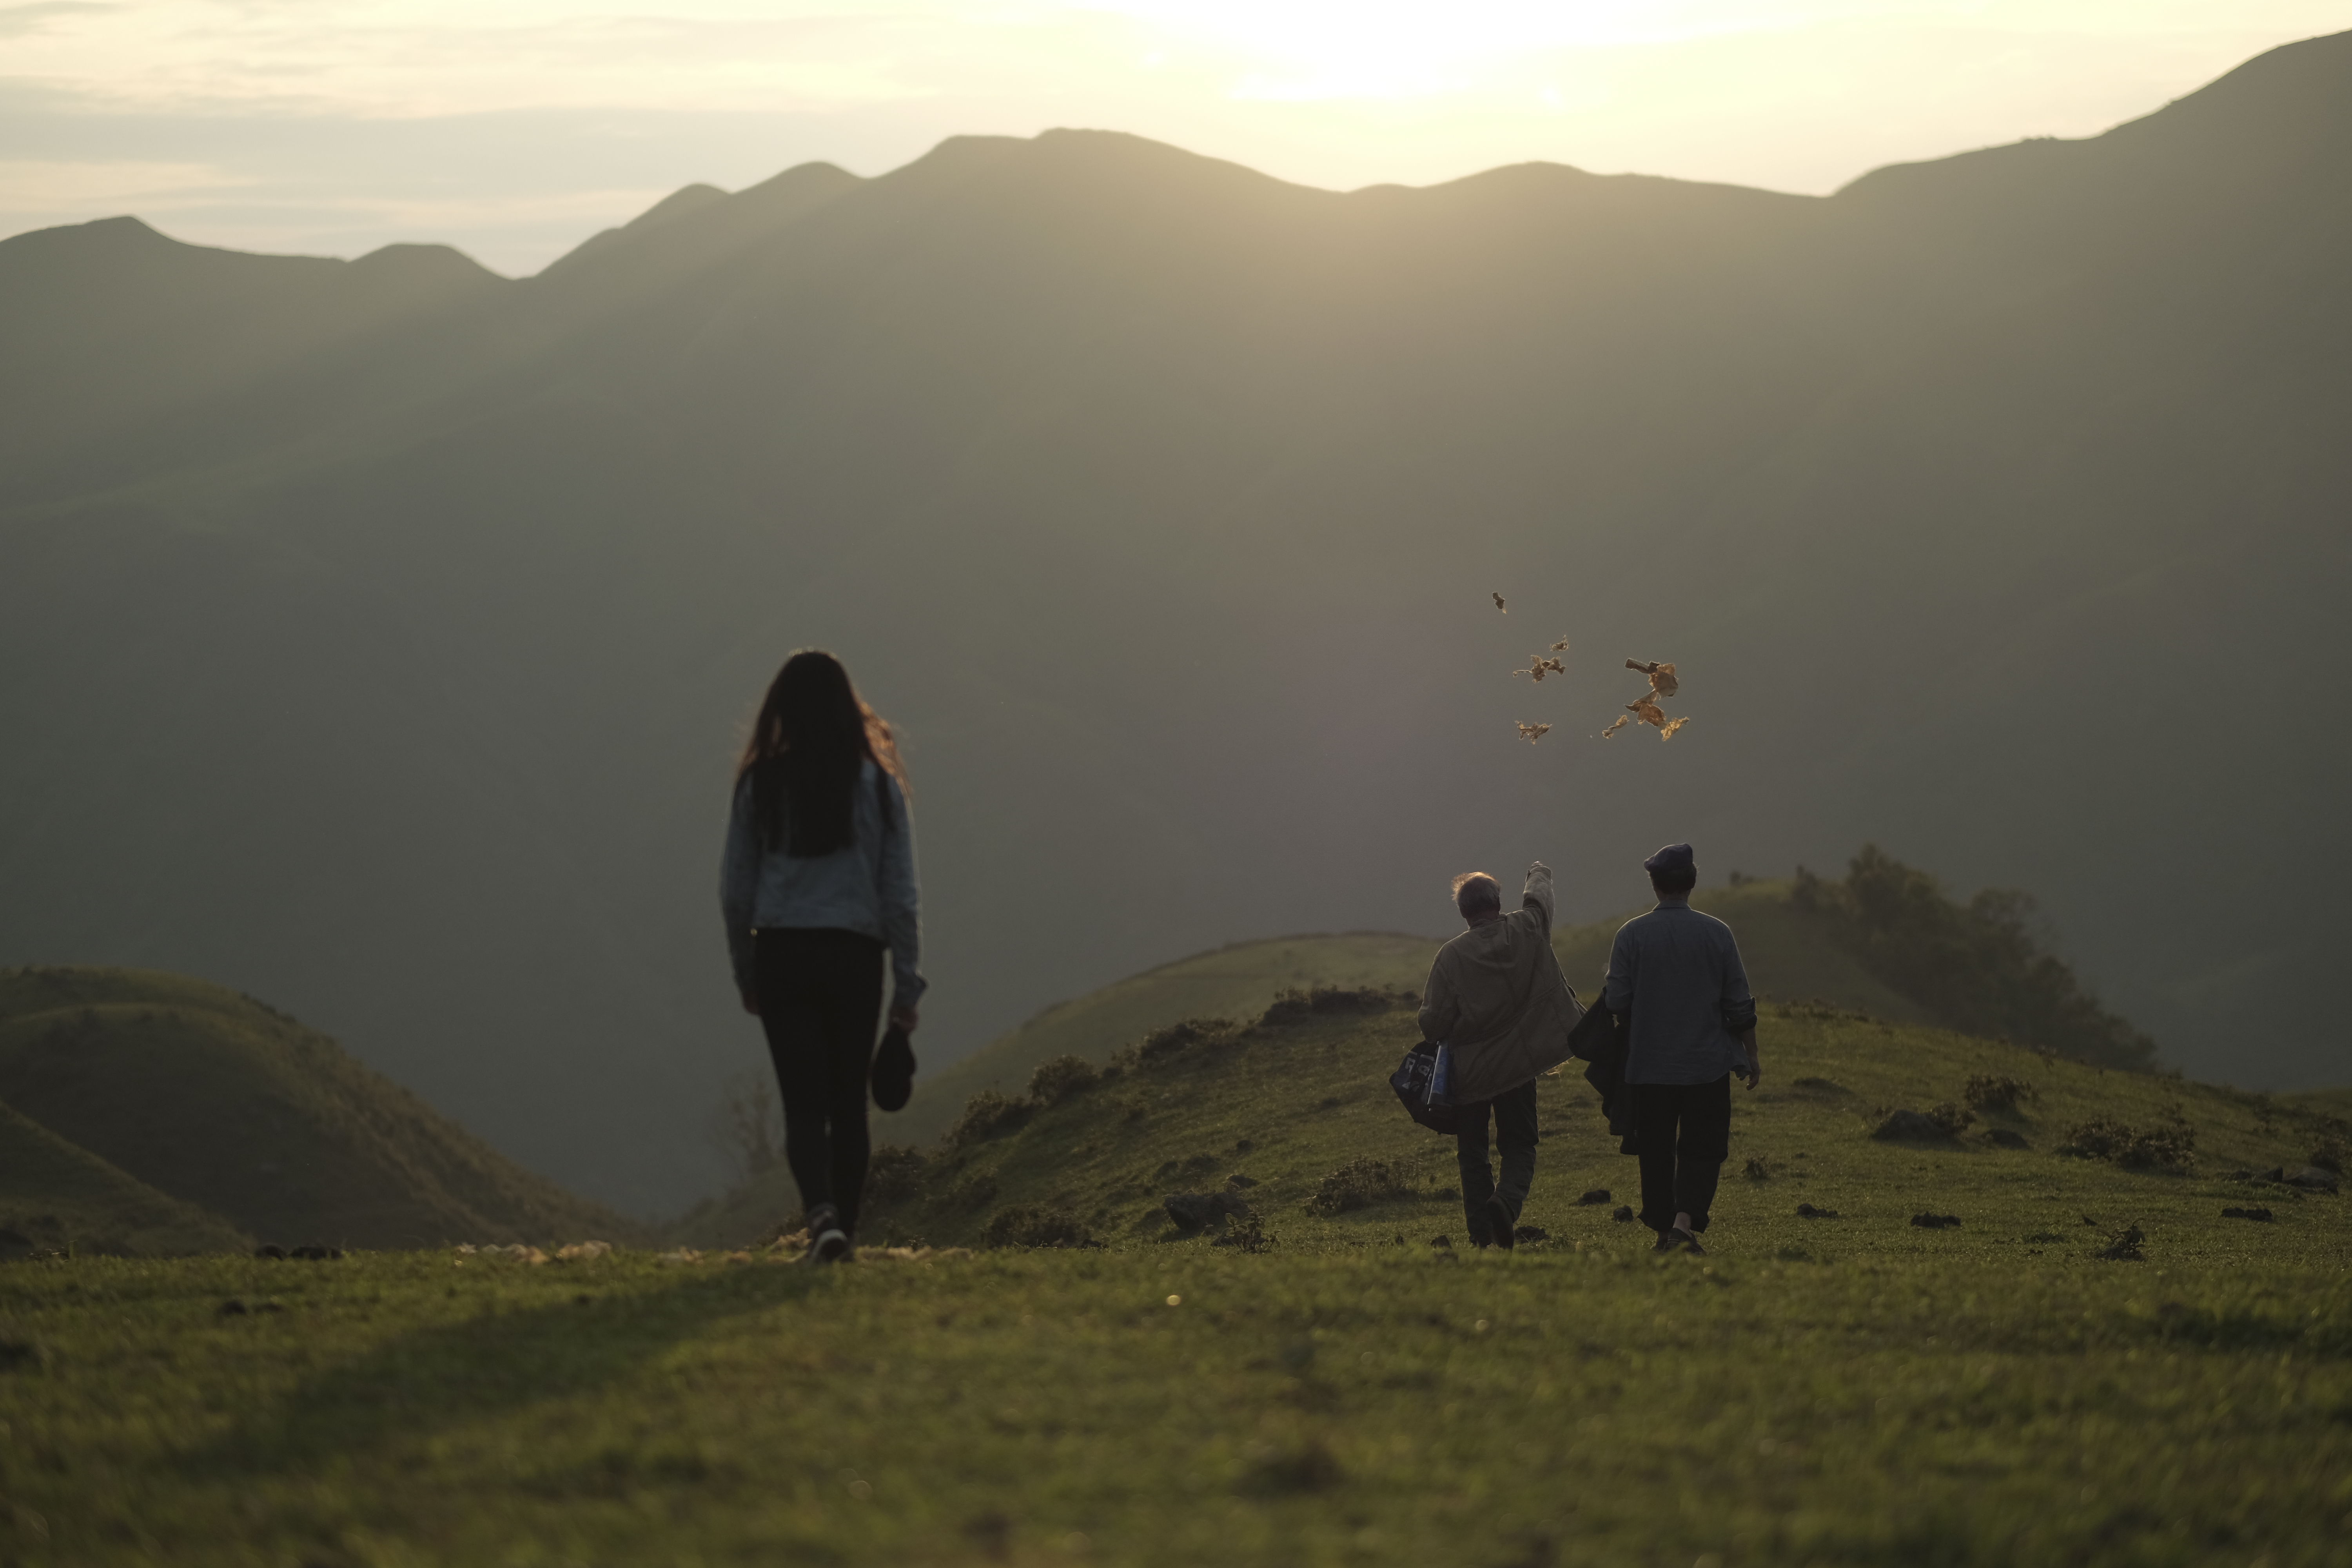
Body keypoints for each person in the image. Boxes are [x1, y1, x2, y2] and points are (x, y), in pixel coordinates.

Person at [720, 651, 924, 1263]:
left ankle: (822, 1220)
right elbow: (902, 896)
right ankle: (845, 1234)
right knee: (847, 1104)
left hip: (783, 953)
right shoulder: (880, 787)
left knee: (802, 1104)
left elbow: (735, 890)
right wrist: (908, 989)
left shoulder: (760, 784)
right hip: (855, 957)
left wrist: (746, 971)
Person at [1601, 843, 1759, 1256]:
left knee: (1655, 1150)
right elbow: (1739, 1003)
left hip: (1648, 1067)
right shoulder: (1717, 933)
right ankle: (1684, 1225)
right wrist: (1751, 1055)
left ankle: (1662, 1233)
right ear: (1691, 882)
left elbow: (1616, 999)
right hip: (1705, 1066)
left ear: (1655, 885)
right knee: (1703, 1146)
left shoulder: (1631, 935)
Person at [1417, 863, 1580, 1250]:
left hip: (1471, 1076)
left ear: (1464, 913)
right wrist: (1538, 871)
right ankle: (1505, 1205)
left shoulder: (1450, 956)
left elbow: (1433, 1024)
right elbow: (1540, 902)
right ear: (1496, 902)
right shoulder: (1525, 929)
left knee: (1472, 1152)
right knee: (1520, 1144)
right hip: (1519, 1066)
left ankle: (1481, 1236)